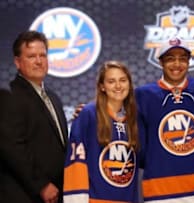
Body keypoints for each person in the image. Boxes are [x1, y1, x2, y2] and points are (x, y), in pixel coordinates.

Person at [136, 37, 194, 202]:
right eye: (170, 59)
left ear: (189, 62)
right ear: (160, 62)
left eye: (182, 59)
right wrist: (88, 111)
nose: (177, 64)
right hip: (159, 191)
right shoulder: (143, 95)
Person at [0, 30, 68, 203]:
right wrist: (42, 185)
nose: (39, 61)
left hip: (56, 195)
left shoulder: (54, 98)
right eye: (31, 56)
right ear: (17, 62)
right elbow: (12, 148)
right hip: (24, 195)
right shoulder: (8, 96)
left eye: (43, 55)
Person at [63, 61, 140, 202]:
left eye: (123, 80)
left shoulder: (134, 120)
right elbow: (75, 165)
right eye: (111, 81)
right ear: (102, 87)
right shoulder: (88, 114)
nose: (118, 86)